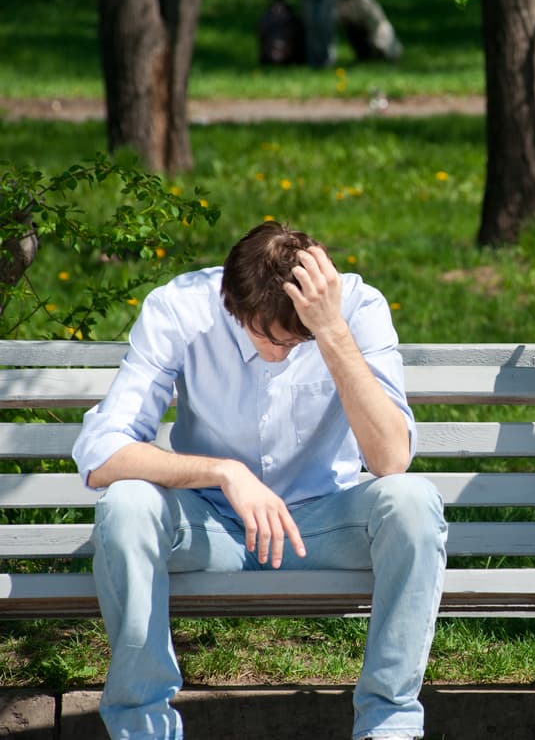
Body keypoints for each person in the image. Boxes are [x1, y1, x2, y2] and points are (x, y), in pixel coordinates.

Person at [73, 221, 447, 740]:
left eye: (301, 339)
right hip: (212, 527)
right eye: (272, 338)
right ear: (233, 304)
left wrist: (332, 330)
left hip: (322, 524)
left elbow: (390, 460)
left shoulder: (357, 307)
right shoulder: (181, 307)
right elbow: (100, 454)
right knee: (127, 505)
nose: (284, 352)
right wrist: (224, 473)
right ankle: (144, 729)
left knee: (413, 501)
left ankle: (389, 728)